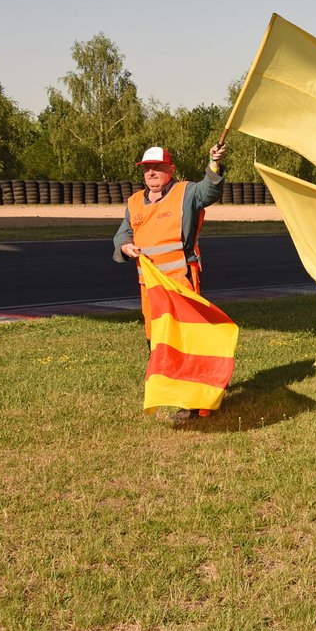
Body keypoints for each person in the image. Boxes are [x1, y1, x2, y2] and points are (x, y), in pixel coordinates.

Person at [113, 142, 227, 422]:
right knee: (157, 340)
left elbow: (210, 190)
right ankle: (168, 389)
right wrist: (126, 247)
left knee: (186, 339)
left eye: (158, 167)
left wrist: (213, 163)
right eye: (147, 168)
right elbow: (122, 235)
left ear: (170, 170)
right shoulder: (134, 202)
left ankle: (193, 403)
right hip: (150, 288)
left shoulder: (186, 192)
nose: (152, 172)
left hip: (181, 281)